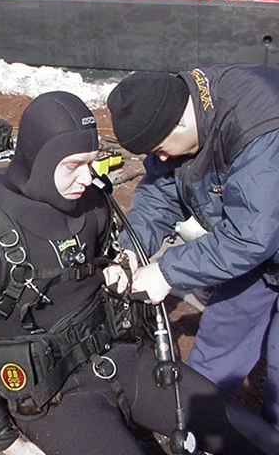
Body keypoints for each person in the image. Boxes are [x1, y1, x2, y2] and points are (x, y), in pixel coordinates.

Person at [0, 91, 266, 454]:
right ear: (39, 159)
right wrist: (6, 440)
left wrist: (119, 268)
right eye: (73, 165)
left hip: (118, 355)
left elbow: (106, 264)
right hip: (51, 396)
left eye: (92, 162)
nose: (88, 176)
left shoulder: (92, 205)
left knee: (232, 426)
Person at [107, 64, 279, 430]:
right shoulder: (177, 110)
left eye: (159, 149)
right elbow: (159, 195)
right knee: (221, 335)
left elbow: (251, 235)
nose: (161, 158)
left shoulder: (260, 127)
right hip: (255, 248)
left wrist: (167, 272)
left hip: (255, 237)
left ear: (180, 123)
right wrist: (130, 251)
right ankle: (192, 423)